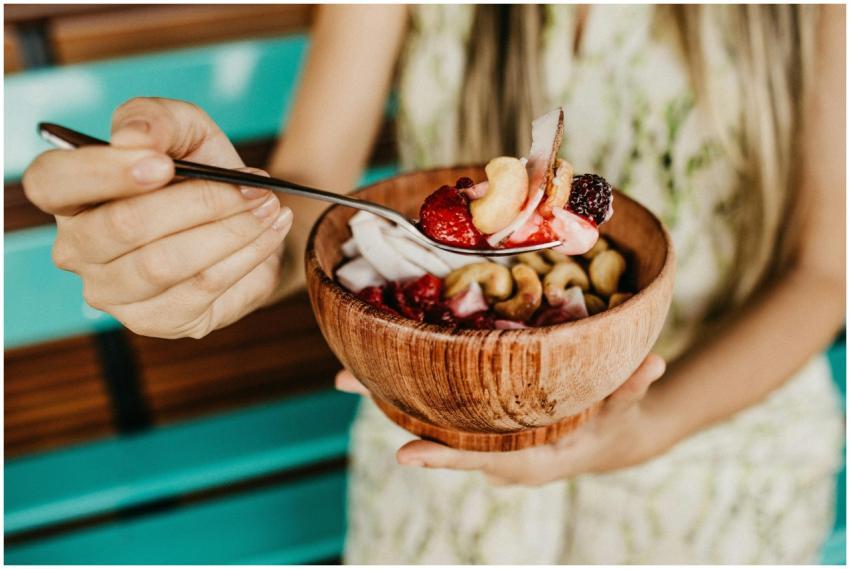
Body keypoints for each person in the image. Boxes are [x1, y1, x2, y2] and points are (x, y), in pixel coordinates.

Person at [22, 4, 844, 564]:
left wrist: (641, 430)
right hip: (439, 414)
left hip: (713, 429)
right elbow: (311, 200)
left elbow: (826, 272)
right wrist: (225, 243)